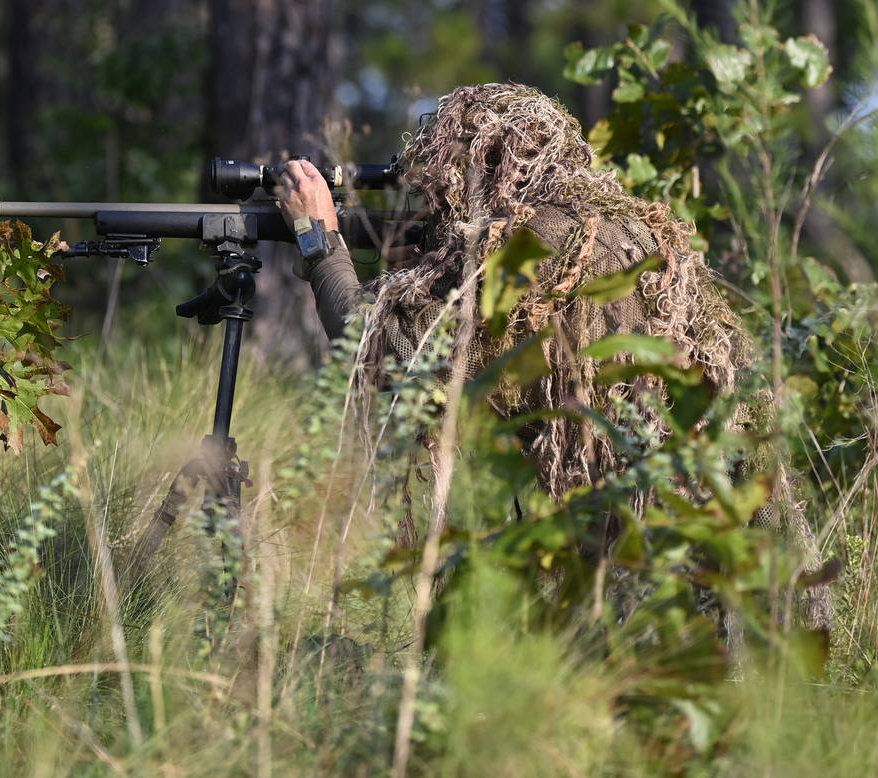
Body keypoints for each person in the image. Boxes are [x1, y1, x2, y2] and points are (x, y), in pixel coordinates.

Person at [273, 82, 832, 632]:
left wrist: (319, 238)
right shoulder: (630, 233)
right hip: (756, 563)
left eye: (441, 183)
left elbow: (376, 347)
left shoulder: (523, 254)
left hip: (653, 578)